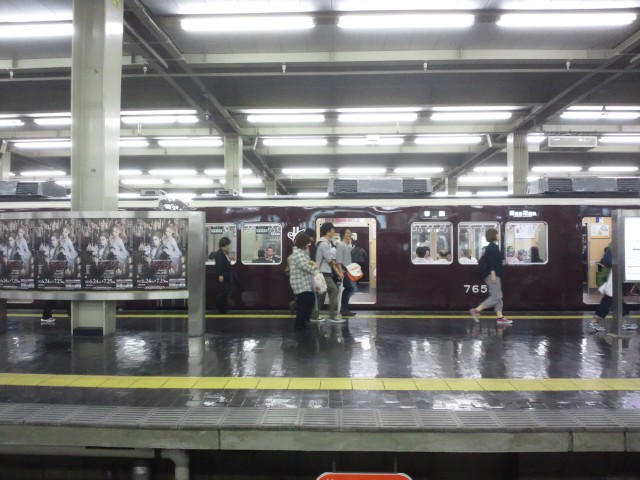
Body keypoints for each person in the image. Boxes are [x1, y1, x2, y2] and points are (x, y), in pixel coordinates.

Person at [589, 244, 636, 332]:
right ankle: (594, 322)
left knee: (617, 299)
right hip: (615, 274)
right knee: (609, 299)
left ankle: (624, 322)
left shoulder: (618, 244)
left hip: (617, 273)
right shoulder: (617, 244)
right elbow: (608, 261)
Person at [470, 228, 512, 325]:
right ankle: (476, 310)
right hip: (492, 275)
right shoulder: (493, 247)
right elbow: (491, 262)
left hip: (494, 274)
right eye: (497, 234)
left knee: (498, 296)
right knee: (496, 297)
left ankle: (500, 317)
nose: (498, 235)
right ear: (493, 235)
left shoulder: (491, 247)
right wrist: (493, 274)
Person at [315, 222, 344, 323]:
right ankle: (332, 316)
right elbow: (329, 260)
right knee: (334, 290)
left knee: (321, 294)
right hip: (323, 272)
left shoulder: (323, 243)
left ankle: (314, 315)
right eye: (332, 230)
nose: (334, 232)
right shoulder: (324, 244)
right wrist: (338, 272)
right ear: (328, 231)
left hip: (322, 271)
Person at [289, 233, 317, 330]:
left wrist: (312, 265)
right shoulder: (298, 254)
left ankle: (303, 322)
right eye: (307, 243)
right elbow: (306, 267)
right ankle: (299, 325)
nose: (308, 245)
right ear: (303, 243)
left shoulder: (302, 252)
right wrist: (314, 267)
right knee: (304, 305)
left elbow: (308, 263)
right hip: (300, 283)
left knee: (308, 301)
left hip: (305, 283)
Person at [336, 227, 356, 317]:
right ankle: (343, 309)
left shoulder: (347, 245)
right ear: (343, 234)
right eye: (348, 233)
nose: (350, 234)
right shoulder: (341, 245)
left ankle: (344, 308)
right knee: (350, 288)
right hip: (344, 272)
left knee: (350, 288)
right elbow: (339, 261)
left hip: (348, 271)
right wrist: (340, 273)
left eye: (350, 233)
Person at [212, 237, 232, 314]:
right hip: (223, 276)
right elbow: (219, 265)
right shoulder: (220, 254)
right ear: (225, 245)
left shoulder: (223, 253)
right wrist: (220, 275)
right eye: (228, 245)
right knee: (224, 292)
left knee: (225, 292)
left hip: (225, 276)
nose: (228, 247)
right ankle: (216, 304)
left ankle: (223, 309)